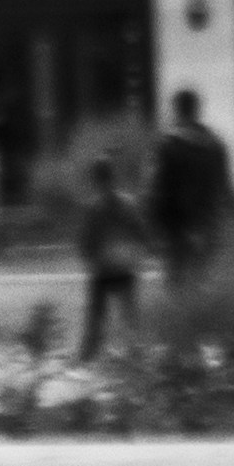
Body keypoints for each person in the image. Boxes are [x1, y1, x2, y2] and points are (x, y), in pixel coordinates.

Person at [147, 87, 234, 283]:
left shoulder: (168, 145)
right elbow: (225, 187)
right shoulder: (215, 144)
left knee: (177, 283)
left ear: (177, 109)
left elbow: (158, 190)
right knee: (204, 279)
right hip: (208, 223)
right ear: (197, 109)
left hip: (177, 227)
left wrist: (154, 227)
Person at [75, 152, 148, 364]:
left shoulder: (93, 208)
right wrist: (136, 254)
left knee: (96, 315)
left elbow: (86, 242)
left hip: (103, 270)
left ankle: (87, 356)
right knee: (129, 314)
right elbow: (141, 233)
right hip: (125, 268)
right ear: (113, 177)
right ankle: (136, 353)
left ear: (95, 179)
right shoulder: (128, 203)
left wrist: (90, 258)